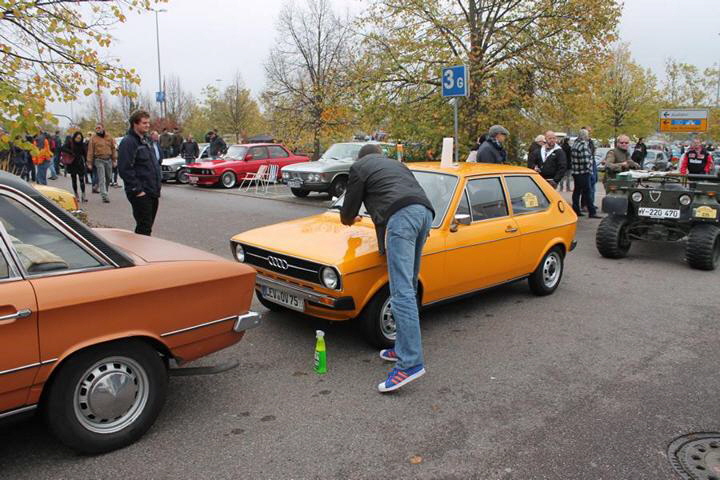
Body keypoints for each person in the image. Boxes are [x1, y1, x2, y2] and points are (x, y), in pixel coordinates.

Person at [340, 144, 434, 393]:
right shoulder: (397, 165)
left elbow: (349, 209)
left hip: (402, 219)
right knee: (409, 288)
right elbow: (400, 196)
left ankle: (410, 363)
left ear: (362, 158)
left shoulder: (360, 167)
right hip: (425, 214)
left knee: (400, 292)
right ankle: (402, 348)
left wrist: (350, 219)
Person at [118, 110, 162, 236]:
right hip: (141, 192)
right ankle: (138, 253)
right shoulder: (128, 142)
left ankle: (143, 250)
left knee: (147, 226)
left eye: (148, 122)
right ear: (135, 124)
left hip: (152, 190)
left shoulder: (146, 140)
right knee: (144, 227)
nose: (147, 125)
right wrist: (137, 190)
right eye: (144, 123)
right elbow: (125, 169)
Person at [571, 129, 600, 218]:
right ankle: (592, 212)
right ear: (585, 136)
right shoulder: (583, 145)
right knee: (588, 192)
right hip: (583, 172)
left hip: (576, 172)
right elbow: (586, 161)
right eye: (587, 135)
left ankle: (576, 210)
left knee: (577, 191)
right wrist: (591, 169)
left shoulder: (575, 144)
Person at [87, 123, 117, 203]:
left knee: (108, 177)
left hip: (109, 159)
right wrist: (89, 162)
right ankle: (104, 196)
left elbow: (113, 148)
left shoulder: (109, 137)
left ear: (103, 128)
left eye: (99, 128)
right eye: (96, 128)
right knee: (101, 177)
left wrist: (114, 160)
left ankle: (105, 191)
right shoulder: (93, 138)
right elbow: (90, 150)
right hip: (99, 160)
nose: (98, 129)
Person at [61, 132, 88, 202]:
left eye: (80, 138)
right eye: (77, 138)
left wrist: (87, 162)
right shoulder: (70, 143)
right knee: (74, 180)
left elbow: (85, 154)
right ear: (74, 137)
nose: (78, 139)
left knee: (82, 179)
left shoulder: (83, 144)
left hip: (80, 163)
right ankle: (76, 195)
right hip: (72, 163)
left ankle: (83, 195)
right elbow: (63, 148)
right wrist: (70, 152)